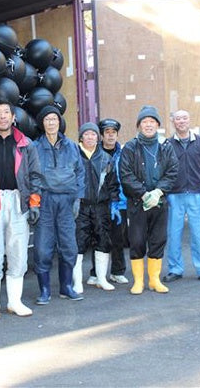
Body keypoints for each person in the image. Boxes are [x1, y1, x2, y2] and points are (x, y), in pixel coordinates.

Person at [0, 98, 42, 319]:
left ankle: (15, 302)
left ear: (13, 117)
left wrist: (34, 203)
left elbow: (35, 175)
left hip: (18, 200)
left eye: (7, 112)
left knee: (18, 252)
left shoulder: (26, 144)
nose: (3, 116)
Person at [119, 105, 178, 295]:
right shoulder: (130, 147)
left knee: (158, 239)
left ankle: (154, 280)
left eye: (152, 121)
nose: (148, 125)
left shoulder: (166, 146)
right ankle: (138, 281)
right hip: (138, 202)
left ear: (157, 125)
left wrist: (159, 192)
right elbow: (125, 174)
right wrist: (144, 194)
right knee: (136, 241)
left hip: (159, 202)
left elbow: (172, 171)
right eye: (145, 122)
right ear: (139, 126)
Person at [32, 105, 85, 304]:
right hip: (45, 200)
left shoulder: (71, 146)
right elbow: (33, 176)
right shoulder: (36, 147)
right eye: (47, 120)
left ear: (59, 123)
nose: (51, 123)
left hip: (66, 201)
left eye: (54, 119)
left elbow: (80, 173)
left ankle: (66, 287)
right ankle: (44, 290)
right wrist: (34, 202)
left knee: (68, 245)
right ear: (42, 124)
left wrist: (78, 198)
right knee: (42, 247)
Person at [164, 110, 200, 283]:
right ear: (173, 122)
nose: (181, 121)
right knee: (173, 235)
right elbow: (163, 170)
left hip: (197, 195)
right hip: (174, 196)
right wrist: (164, 191)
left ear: (189, 121)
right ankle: (175, 270)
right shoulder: (167, 144)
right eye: (177, 119)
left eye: (184, 118)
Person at [72, 122, 120, 293]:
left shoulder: (106, 158)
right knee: (78, 244)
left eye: (93, 134)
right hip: (80, 207)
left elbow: (113, 184)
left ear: (98, 137)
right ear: (81, 137)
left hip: (101, 207)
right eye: (87, 134)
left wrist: (114, 202)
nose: (90, 137)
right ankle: (77, 282)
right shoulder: (74, 155)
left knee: (103, 241)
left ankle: (101, 279)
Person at [97, 118, 130, 285]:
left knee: (118, 238)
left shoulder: (124, 153)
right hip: (100, 203)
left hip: (120, 203)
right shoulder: (94, 153)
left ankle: (117, 271)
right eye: (107, 133)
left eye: (113, 133)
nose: (110, 136)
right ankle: (96, 273)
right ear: (101, 135)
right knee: (99, 237)